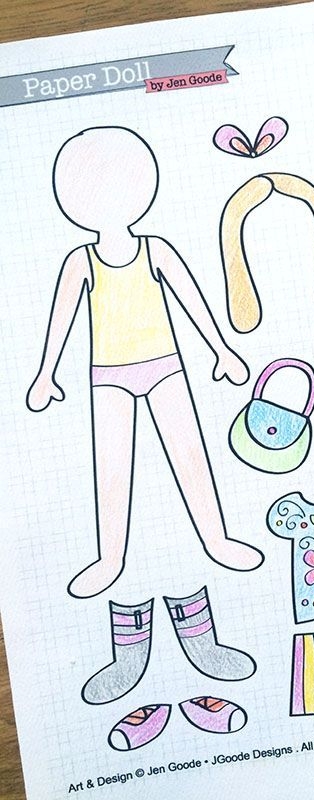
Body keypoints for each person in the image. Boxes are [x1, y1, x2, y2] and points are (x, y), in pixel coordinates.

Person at [27, 126, 264, 599]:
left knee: (189, 452)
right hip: (108, 376)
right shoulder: (80, 261)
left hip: (166, 368)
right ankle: (110, 558)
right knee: (112, 465)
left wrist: (221, 349)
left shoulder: (156, 249)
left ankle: (216, 540)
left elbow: (191, 299)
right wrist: (45, 373)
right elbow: (61, 318)